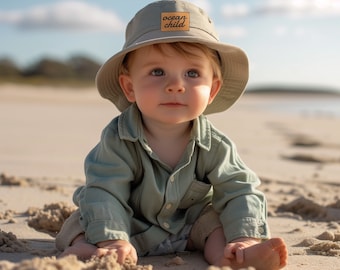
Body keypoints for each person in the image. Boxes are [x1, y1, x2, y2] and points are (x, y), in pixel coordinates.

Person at [56, 0, 287, 269]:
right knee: (82, 219)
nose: (176, 85)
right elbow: (105, 191)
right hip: (130, 224)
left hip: (191, 226)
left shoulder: (216, 145)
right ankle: (87, 248)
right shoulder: (117, 139)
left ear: (212, 90)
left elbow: (239, 191)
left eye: (192, 73)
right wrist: (112, 239)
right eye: (157, 71)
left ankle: (237, 256)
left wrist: (244, 236)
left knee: (217, 226)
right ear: (129, 87)